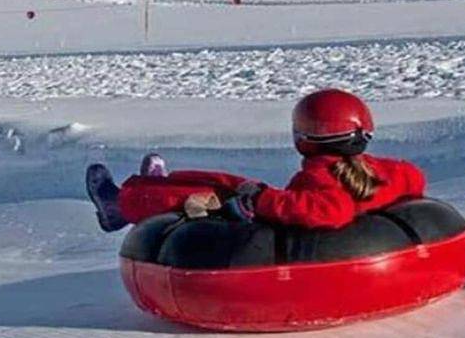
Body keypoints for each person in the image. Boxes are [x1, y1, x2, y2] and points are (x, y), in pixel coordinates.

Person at [85, 89, 427, 232]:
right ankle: (156, 183)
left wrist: (262, 199)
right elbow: (413, 179)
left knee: (208, 199)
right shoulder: (385, 170)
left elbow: (329, 211)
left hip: (272, 238)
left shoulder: (323, 177)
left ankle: (119, 206)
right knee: (226, 182)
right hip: (283, 214)